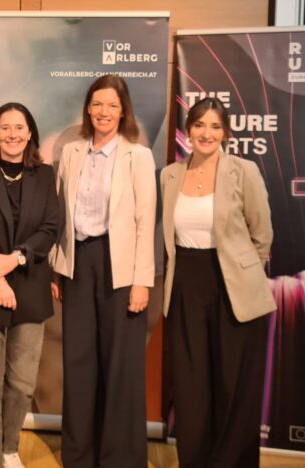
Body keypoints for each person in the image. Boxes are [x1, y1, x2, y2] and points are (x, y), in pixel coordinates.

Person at [161, 97, 275, 467]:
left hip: (233, 289)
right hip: (185, 285)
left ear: (225, 133)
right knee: (191, 385)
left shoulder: (243, 171)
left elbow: (262, 236)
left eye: (214, 126)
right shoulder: (169, 175)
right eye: (199, 125)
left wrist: (244, 275)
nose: (206, 133)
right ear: (188, 131)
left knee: (233, 383)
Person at [51, 74, 156, 468]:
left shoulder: (137, 156)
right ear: (88, 109)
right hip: (78, 263)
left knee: (120, 365)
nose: (104, 112)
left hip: (121, 268)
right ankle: (79, 456)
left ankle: (120, 458)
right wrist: (57, 268)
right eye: (97, 104)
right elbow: (60, 215)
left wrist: (142, 281)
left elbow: (146, 221)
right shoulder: (72, 152)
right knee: (78, 363)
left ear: (123, 110)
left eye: (112, 105)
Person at [0, 103, 62, 468]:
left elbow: (50, 228)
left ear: (30, 132)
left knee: (21, 381)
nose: (12, 134)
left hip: (31, 287)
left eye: (19, 127)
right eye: (5, 128)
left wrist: (17, 259)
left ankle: (9, 447)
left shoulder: (45, 175)